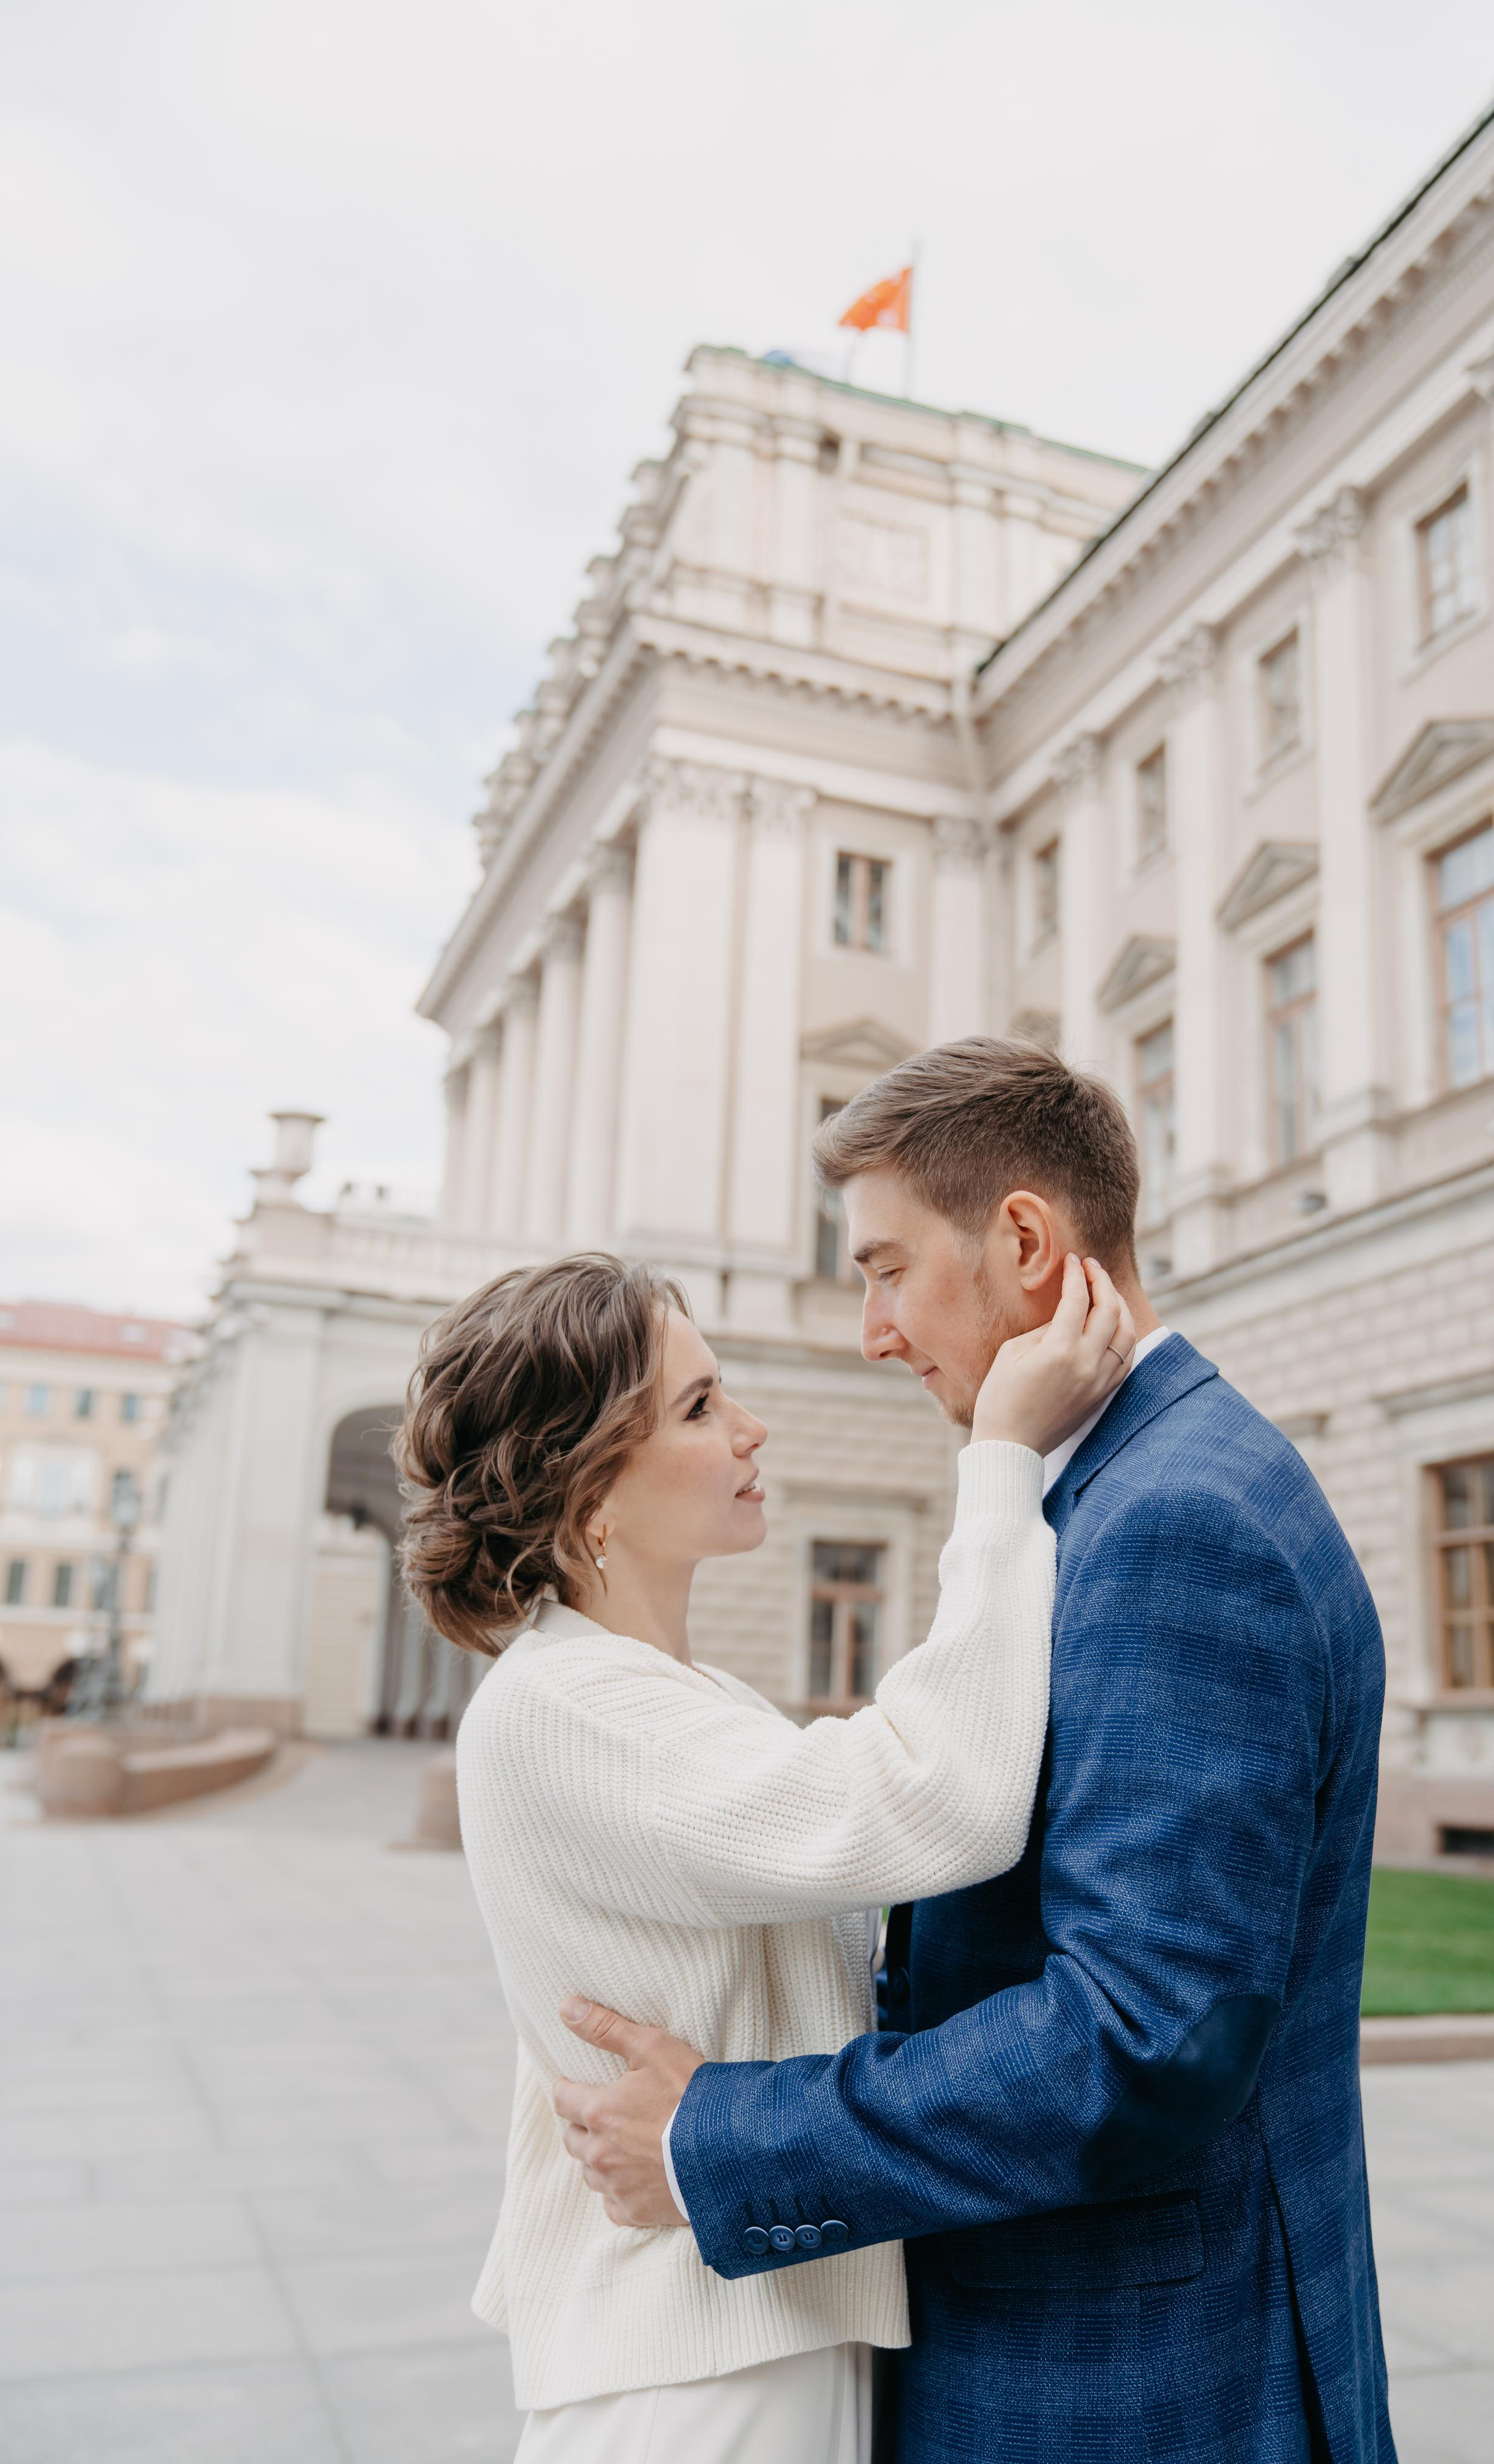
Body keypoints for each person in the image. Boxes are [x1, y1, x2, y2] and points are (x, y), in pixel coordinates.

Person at [551, 1038, 1397, 2464]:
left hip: (1132, 2382)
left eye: (885, 1267)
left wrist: (725, 2134)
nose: (872, 1326)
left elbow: (1139, 2035)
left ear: (1021, 1242)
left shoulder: (1173, 1522)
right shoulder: (1123, 1486)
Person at [395, 1240, 1134, 2463]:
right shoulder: (563, 1707)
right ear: (588, 1492)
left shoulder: (686, 1697)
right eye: (697, 1406)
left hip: (748, 2316)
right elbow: (938, 1800)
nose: (753, 1428)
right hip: (695, 2369)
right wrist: (1001, 1460)